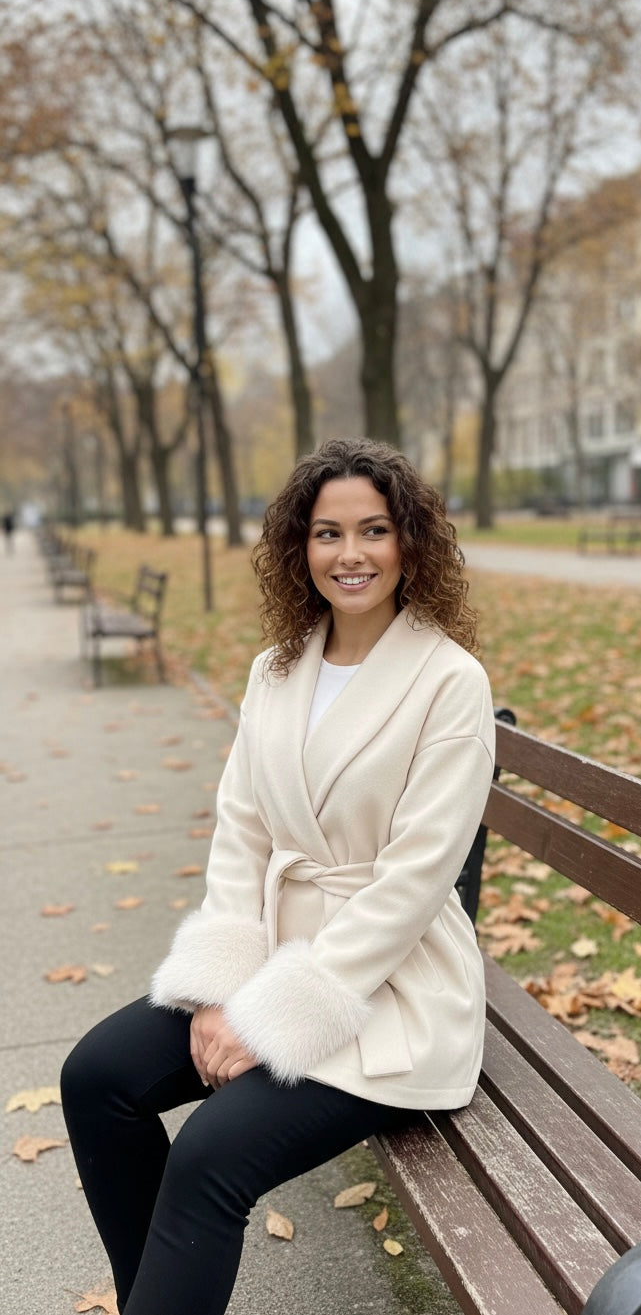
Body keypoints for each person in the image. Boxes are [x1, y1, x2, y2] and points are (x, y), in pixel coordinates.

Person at [61, 437, 496, 1315]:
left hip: (389, 988)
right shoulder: (278, 668)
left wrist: (268, 1018)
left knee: (210, 1157)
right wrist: (225, 987)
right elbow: (243, 832)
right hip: (275, 952)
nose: (352, 554)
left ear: (410, 541)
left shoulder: (450, 682)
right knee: (96, 1077)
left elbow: (412, 885)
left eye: (374, 530)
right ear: (300, 547)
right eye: (328, 532)